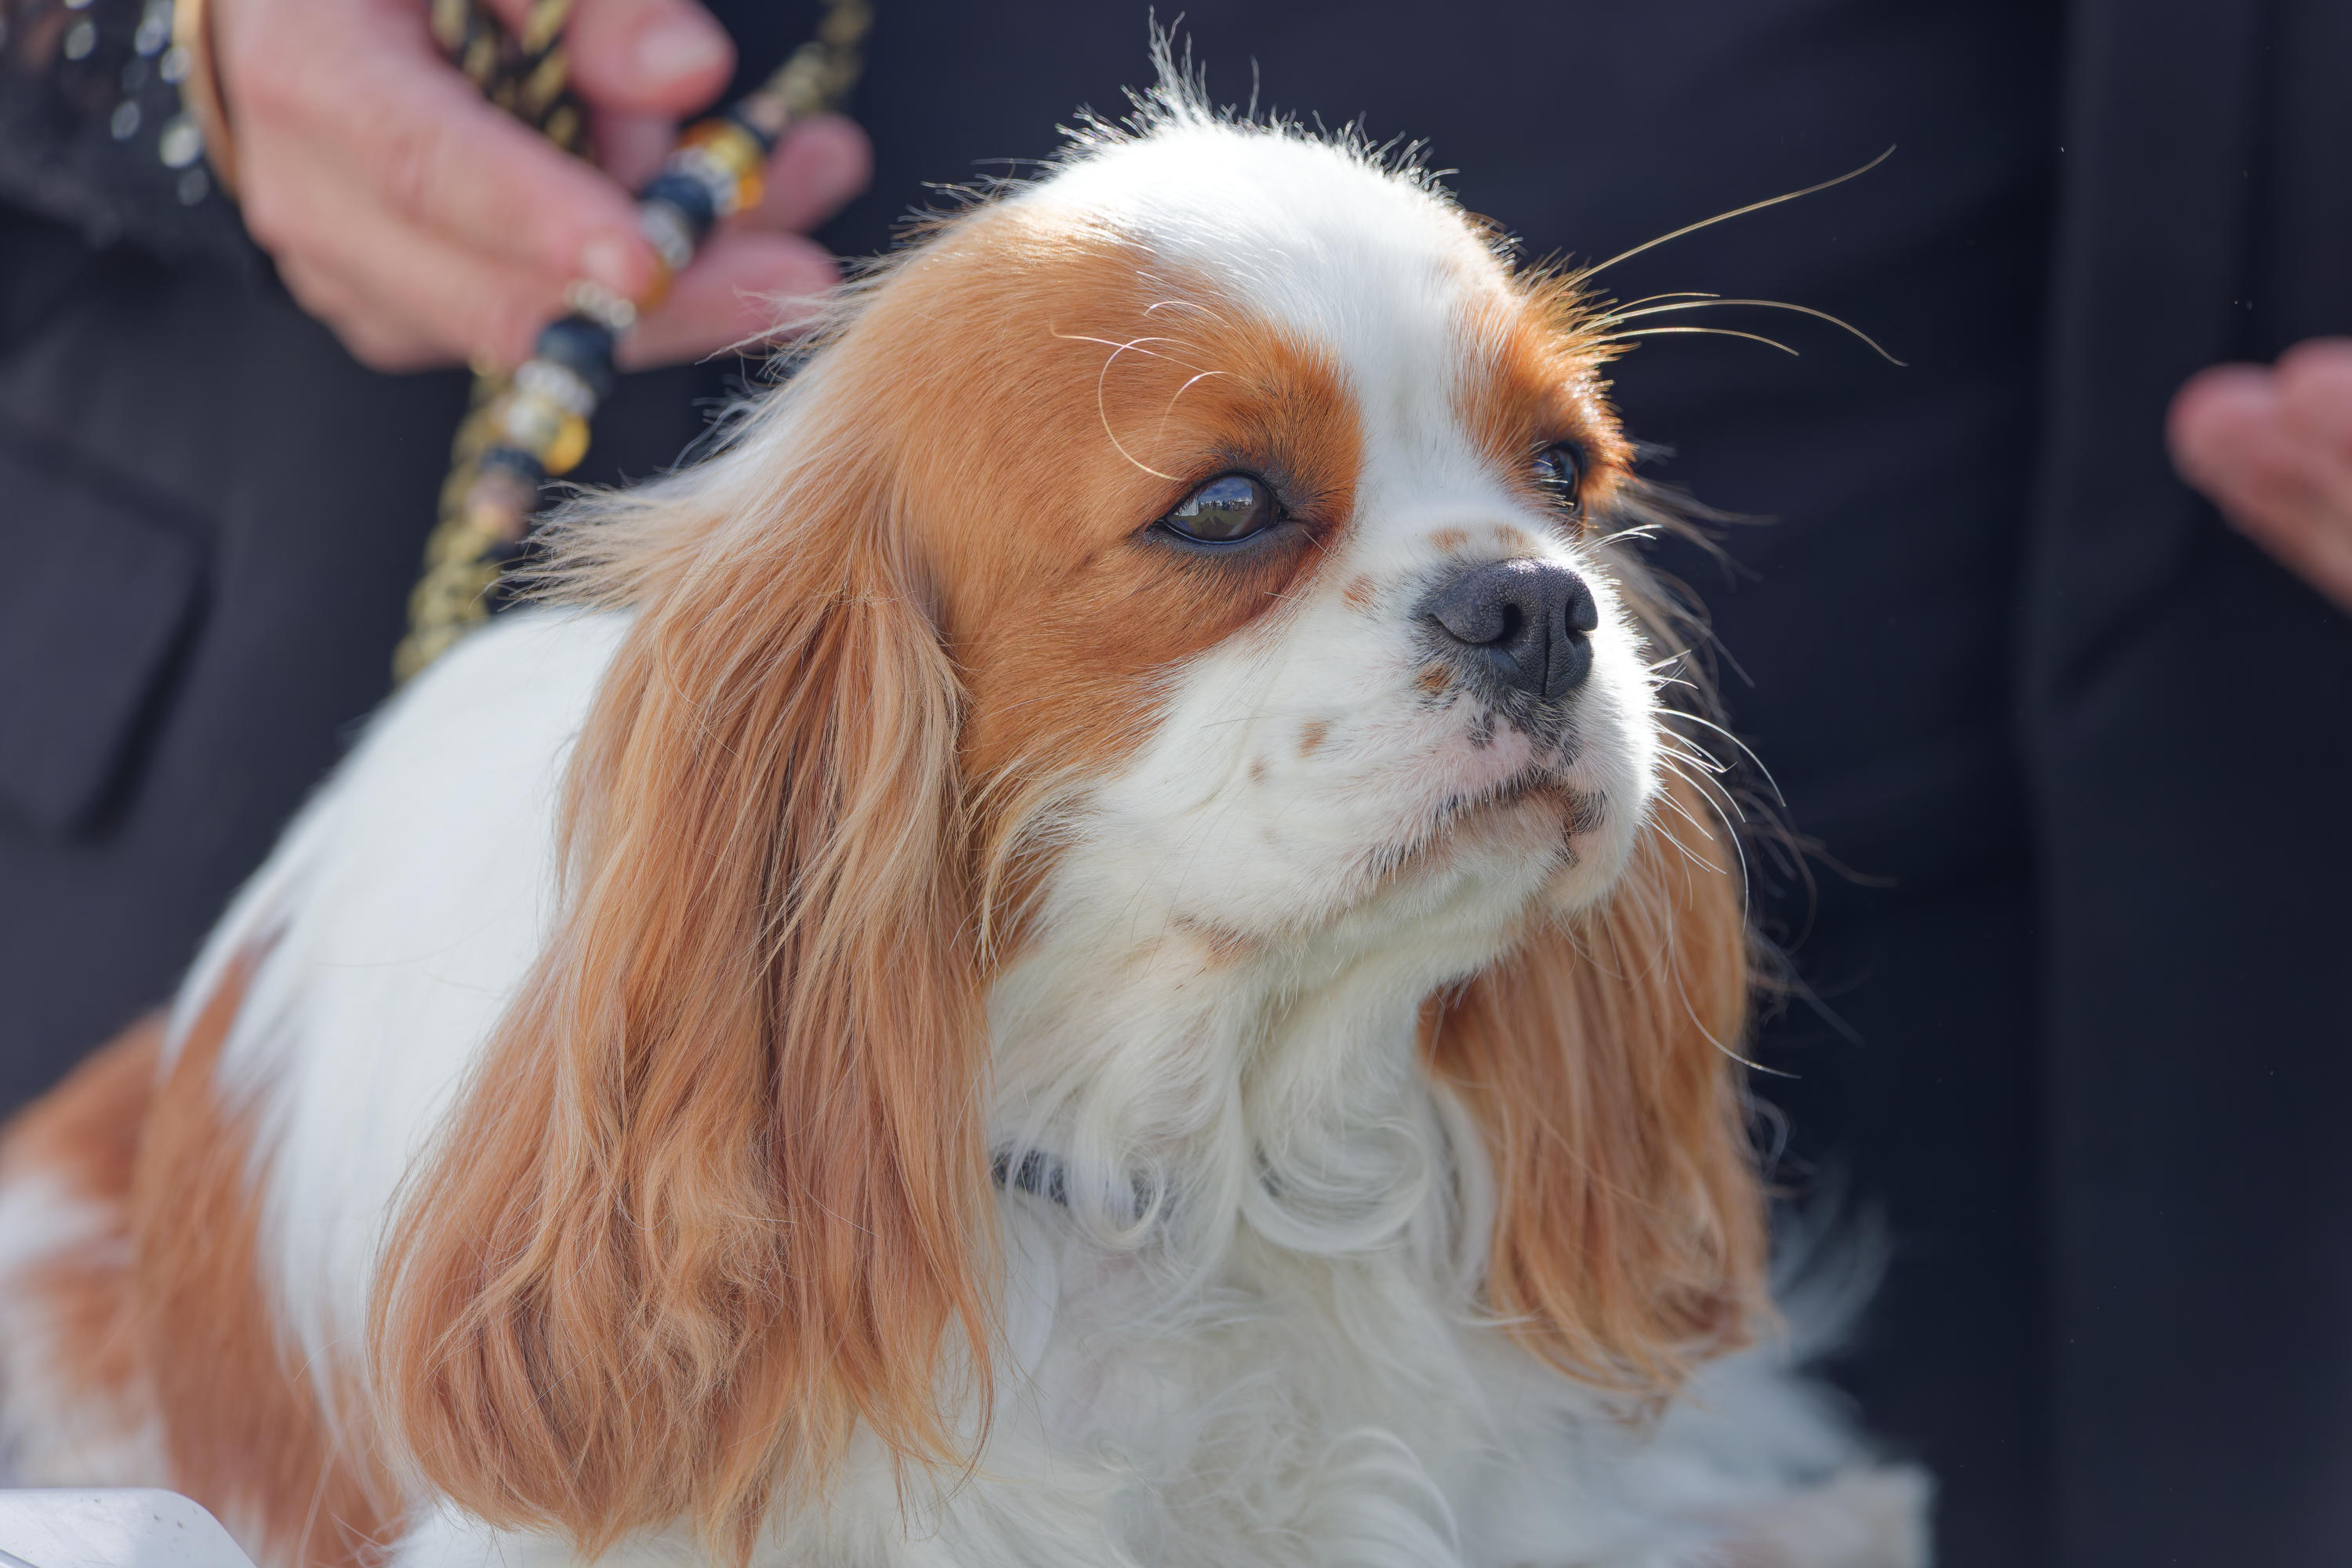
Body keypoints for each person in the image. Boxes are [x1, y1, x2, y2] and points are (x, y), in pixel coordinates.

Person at [2, 2, 2348, 1564]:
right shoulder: (754, 794)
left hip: (2059, 975)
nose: (1529, 595)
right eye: (1234, 513)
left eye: (1555, 477)